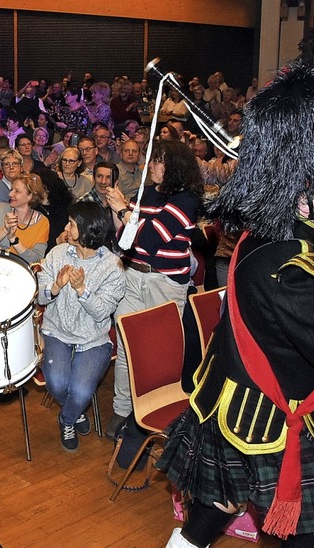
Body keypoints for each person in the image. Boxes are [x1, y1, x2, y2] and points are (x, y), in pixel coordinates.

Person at [156, 63, 314, 548]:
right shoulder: (295, 267)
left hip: (229, 396)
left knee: (211, 508)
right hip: (275, 413)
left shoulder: (267, 234)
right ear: (299, 195)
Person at [105, 139, 203, 436]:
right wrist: (117, 208)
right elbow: (126, 238)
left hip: (164, 283)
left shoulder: (187, 199)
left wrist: (124, 210)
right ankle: (122, 410)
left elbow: (148, 239)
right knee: (126, 348)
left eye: (158, 159)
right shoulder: (147, 192)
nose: (152, 165)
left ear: (175, 165)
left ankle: (155, 409)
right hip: (134, 276)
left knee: (161, 352)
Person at [38, 202, 125, 451]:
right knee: (56, 384)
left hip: (93, 338)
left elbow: (102, 313)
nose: (66, 228)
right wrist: (55, 286)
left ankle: (67, 417)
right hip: (56, 330)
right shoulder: (58, 254)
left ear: (88, 229)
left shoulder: (112, 267)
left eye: (72, 224)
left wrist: (81, 290)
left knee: (80, 393)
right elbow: (41, 297)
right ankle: (76, 413)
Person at [0, 173, 49, 264]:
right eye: (11, 189)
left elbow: (36, 259)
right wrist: (5, 230)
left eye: (16, 191)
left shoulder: (42, 222)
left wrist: (14, 240)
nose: (10, 194)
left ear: (30, 196)